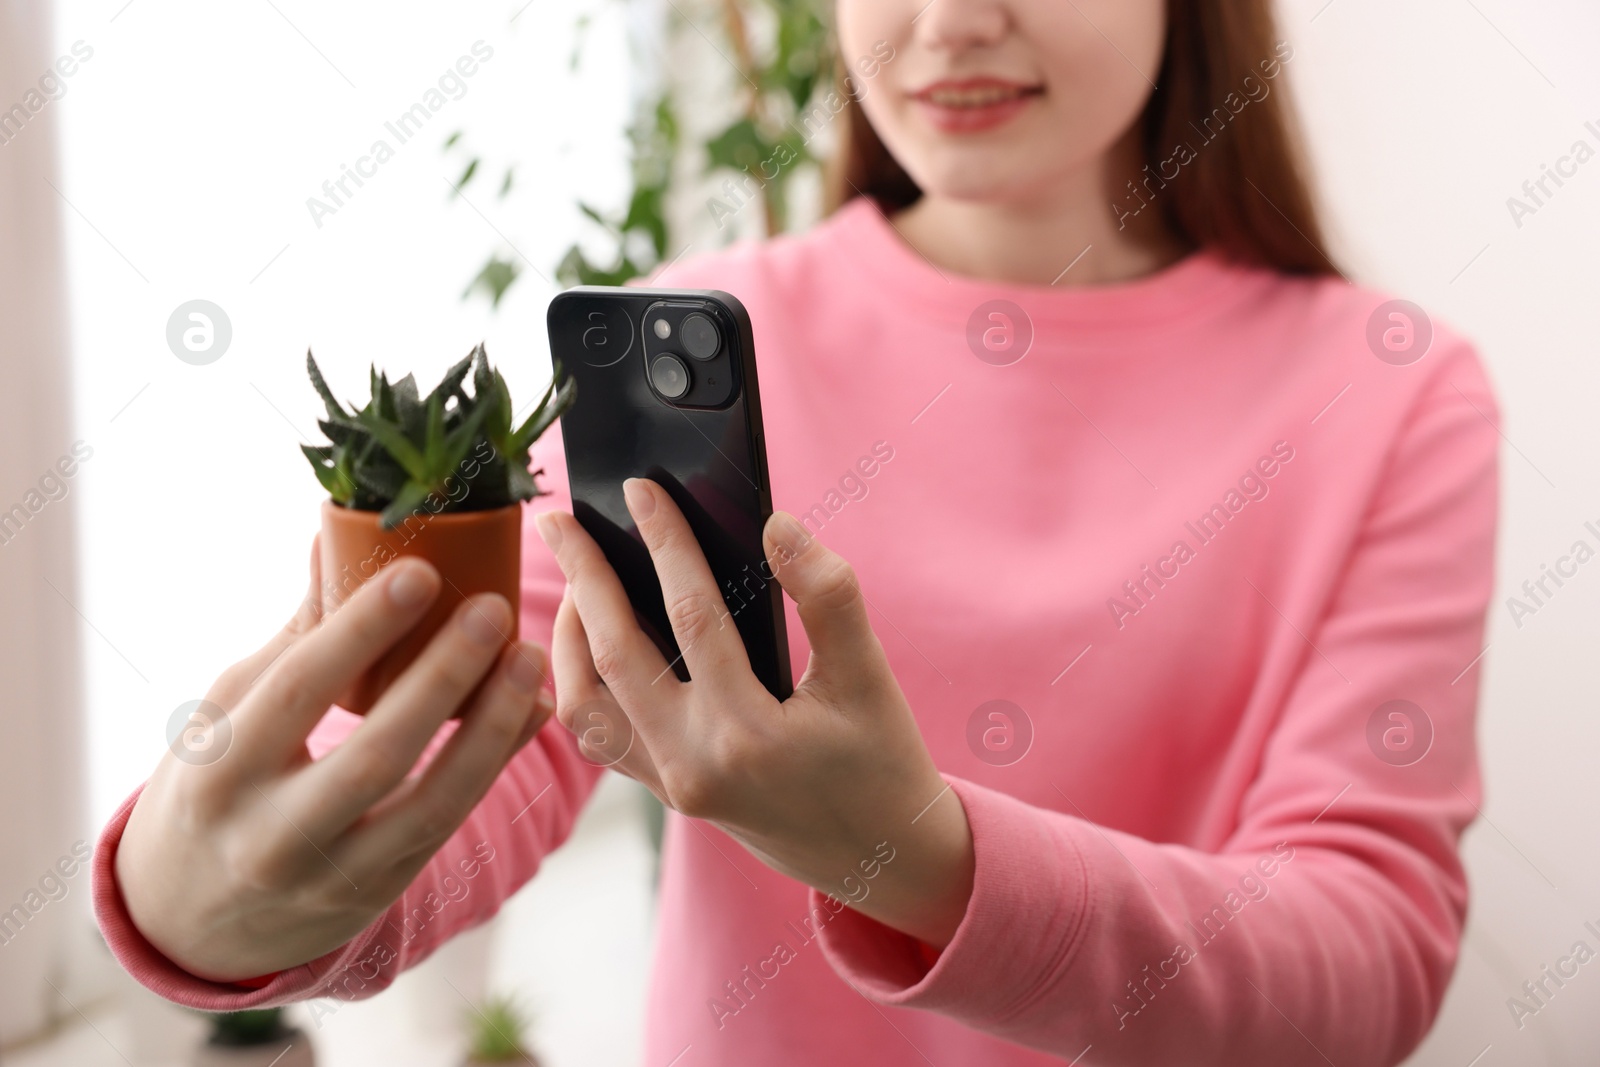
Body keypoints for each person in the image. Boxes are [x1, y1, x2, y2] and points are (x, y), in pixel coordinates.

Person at [95, 1, 1499, 1063]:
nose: (951, 22)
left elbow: (1365, 959)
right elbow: (505, 712)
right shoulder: (688, 339)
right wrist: (205, 896)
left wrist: (913, 855)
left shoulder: (1389, 389)